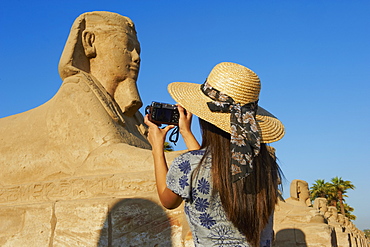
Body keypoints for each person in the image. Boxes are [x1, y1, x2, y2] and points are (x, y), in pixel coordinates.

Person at [144, 62, 285, 247]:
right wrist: (186, 132)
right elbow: (207, 163)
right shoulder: (265, 164)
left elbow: (168, 200)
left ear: (205, 119)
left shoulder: (189, 164)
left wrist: (156, 146)